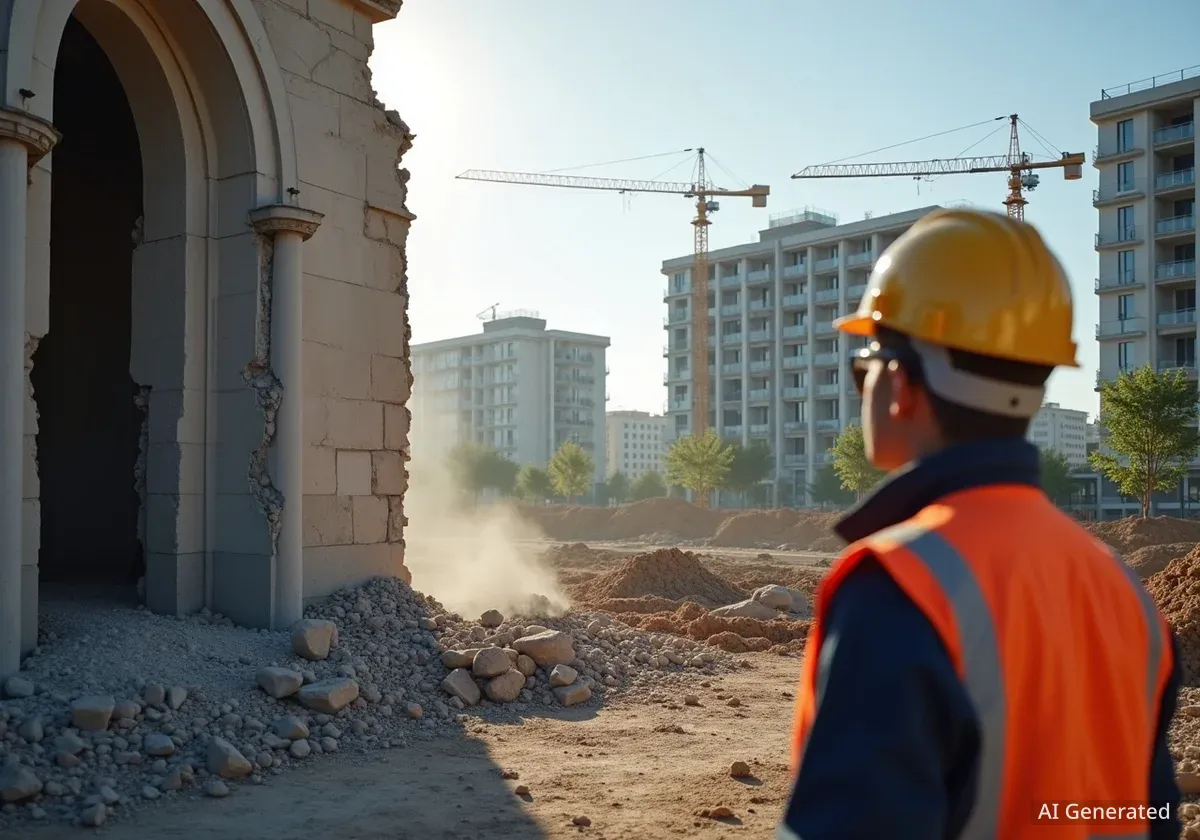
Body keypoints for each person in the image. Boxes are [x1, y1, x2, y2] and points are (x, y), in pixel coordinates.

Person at [778, 208, 1181, 840]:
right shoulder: (1128, 598)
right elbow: (1149, 816)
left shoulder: (899, 586)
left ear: (903, 385)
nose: (864, 384)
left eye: (867, 363)